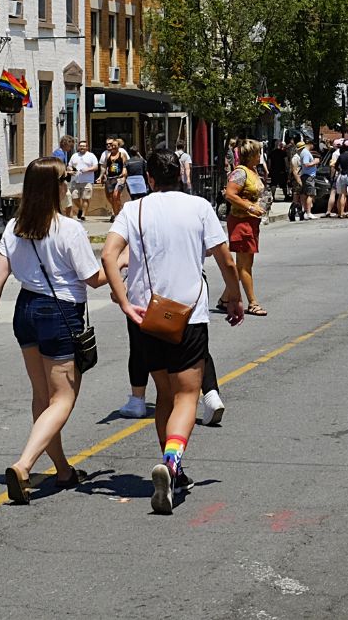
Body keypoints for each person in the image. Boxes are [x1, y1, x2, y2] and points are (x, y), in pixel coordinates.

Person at [101, 147, 245, 514]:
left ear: (148, 178)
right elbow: (225, 257)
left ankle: (172, 469)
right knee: (187, 396)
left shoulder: (134, 209)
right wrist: (233, 294)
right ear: (181, 174)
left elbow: (108, 256)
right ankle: (172, 462)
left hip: (147, 317)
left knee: (164, 394)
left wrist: (122, 300)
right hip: (188, 316)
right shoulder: (198, 207)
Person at [0, 157, 107, 503]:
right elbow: (94, 280)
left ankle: (61, 469)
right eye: (64, 179)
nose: (67, 185)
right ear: (53, 187)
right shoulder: (69, 229)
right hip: (60, 314)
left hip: (26, 311)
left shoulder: (15, 227)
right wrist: (120, 263)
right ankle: (25, 464)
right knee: (63, 398)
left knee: (42, 397)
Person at [220, 142, 268, 317]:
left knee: (245, 264)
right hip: (242, 222)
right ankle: (252, 303)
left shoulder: (251, 171)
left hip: (251, 222)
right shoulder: (240, 172)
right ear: (251, 154)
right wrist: (249, 207)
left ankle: (225, 299)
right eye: (258, 153)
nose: (260, 156)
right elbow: (230, 194)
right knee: (245, 265)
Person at [66, 140, 99, 217]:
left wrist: (87, 169)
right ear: (78, 147)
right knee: (74, 197)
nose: (82, 147)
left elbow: (96, 167)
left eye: (84, 146)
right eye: (81, 146)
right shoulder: (74, 155)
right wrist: (70, 169)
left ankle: (83, 215)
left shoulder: (91, 156)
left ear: (87, 147)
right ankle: (80, 208)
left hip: (87, 180)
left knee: (86, 198)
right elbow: (69, 165)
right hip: (75, 180)